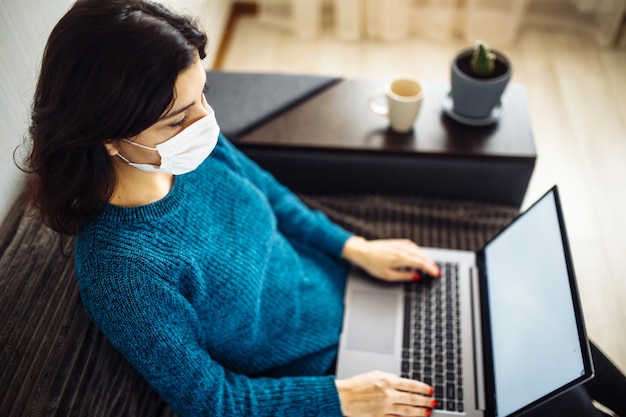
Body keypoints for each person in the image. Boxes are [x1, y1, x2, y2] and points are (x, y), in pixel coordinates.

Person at [22, 1, 625, 416]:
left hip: (355, 289)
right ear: (106, 134)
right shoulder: (123, 271)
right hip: (330, 368)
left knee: (551, 333)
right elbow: (211, 401)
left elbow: (275, 197)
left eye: (202, 93)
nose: (207, 121)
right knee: (556, 400)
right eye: (181, 116)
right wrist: (342, 399)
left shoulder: (184, 150)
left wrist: (353, 247)